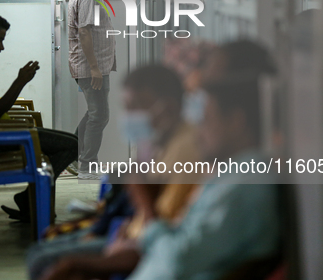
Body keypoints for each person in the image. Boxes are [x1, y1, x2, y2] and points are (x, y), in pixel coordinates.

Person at [41, 39, 284, 280]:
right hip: (140, 250)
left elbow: (176, 256)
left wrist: (144, 203)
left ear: (237, 120)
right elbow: (177, 237)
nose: (198, 130)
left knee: (46, 260)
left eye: (206, 119)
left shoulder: (243, 182)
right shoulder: (230, 173)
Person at [34, 64, 200, 280]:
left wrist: (138, 201)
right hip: (131, 233)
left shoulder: (184, 149)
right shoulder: (160, 140)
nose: (128, 116)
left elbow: (161, 226)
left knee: (43, 259)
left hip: (141, 246)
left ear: (166, 107)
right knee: (45, 248)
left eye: (135, 107)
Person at [0, 11, 78, 221]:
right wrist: (20, 81)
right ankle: (30, 198)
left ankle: (29, 198)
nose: (2, 46)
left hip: (2, 135)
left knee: (72, 143)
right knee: (73, 145)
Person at [68, 0, 116, 179]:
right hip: (91, 68)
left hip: (94, 66)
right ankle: (87, 166)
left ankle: (73, 156)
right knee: (100, 115)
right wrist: (95, 68)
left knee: (95, 113)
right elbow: (84, 32)